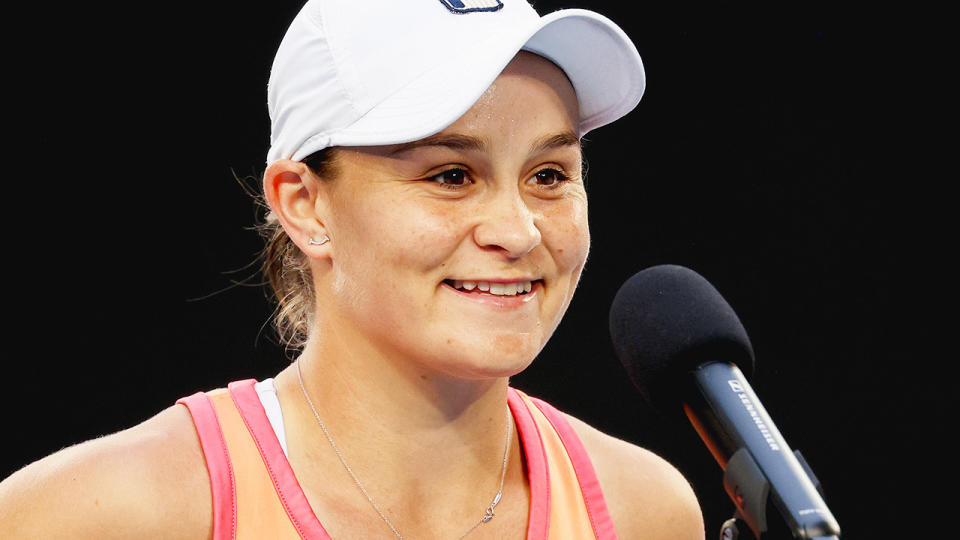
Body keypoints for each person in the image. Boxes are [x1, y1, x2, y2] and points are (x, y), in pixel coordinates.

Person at [0, 0, 705, 538]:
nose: (518, 230)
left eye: (550, 173)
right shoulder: (111, 512)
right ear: (304, 205)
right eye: (453, 175)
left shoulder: (647, 512)